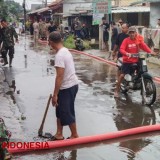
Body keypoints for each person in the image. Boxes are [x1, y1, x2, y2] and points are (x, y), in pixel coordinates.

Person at [48, 31, 79, 140]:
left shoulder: (60, 55)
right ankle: (59, 133)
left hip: (68, 87)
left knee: (66, 111)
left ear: (51, 42)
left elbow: (59, 76)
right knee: (59, 109)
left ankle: (75, 135)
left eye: (49, 42)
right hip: (70, 85)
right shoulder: (65, 50)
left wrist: (55, 94)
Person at [114, 26, 156, 97]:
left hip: (136, 60)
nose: (132, 34)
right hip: (127, 61)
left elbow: (143, 46)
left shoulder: (138, 40)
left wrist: (150, 52)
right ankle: (116, 91)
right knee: (122, 75)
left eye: (133, 33)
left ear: (135, 33)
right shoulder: (126, 40)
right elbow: (121, 49)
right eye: (130, 33)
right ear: (128, 33)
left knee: (142, 71)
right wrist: (126, 53)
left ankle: (141, 86)